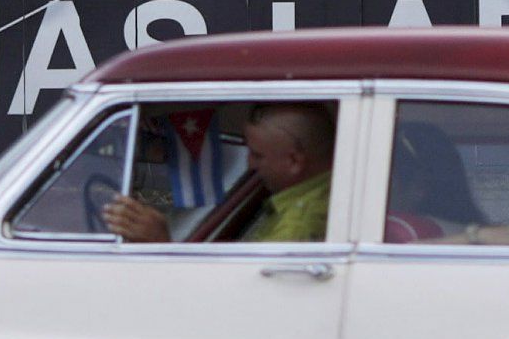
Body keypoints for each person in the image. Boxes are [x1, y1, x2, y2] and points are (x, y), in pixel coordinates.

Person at [101, 102, 334, 244]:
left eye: (257, 155)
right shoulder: (316, 201)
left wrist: (161, 244)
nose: (250, 164)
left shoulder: (301, 224)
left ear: (294, 161)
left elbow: (243, 299)